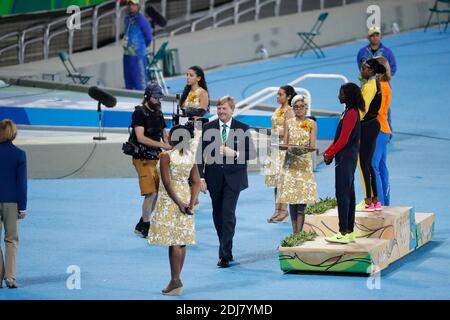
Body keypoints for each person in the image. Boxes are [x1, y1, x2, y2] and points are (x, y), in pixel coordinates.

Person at [197, 96, 256, 268]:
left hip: (234, 179)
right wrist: (201, 178)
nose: (221, 111)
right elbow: (200, 155)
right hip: (213, 178)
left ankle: (223, 254)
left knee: (228, 214)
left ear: (232, 110)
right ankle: (227, 248)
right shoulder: (208, 127)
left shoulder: (243, 128)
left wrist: (235, 154)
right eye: (219, 108)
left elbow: (251, 154)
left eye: (224, 109)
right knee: (217, 215)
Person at [148, 125, 200, 296]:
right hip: (185, 196)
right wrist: (191, 203)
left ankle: (175, 280)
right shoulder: (190, 156)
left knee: (174, 241)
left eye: (170, 134)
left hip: (171, 199)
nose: (168, 135)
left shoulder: (166, 156)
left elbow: (167, 183)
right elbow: (196, 182)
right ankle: (175, 280)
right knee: (181, 239)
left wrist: (179, 203)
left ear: (174, 137)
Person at [323, 83, 363, 244]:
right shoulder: (348, 111)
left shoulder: (351, 113)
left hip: (346, 158)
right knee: (349, 193)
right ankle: (350, 231)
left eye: (341, 93)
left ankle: (343, 231)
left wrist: (329, 153)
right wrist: (330, 151)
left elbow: (343, 139)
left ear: (348, 96)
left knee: (342, 194)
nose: (338, 96)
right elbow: (339, 139)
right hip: (347, 157)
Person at [131, 83, 172, 237]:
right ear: (147, 97)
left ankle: (142, 223)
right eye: (155, 97)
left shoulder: (158, 111)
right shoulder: (139, 113)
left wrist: (168, 147)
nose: (158, 100)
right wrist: (163, 145)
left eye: (159, 97)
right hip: (142, 157)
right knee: (151, 193)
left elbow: (163, 132)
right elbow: (140, 137)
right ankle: (146, 227)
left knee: (156, 192)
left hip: (155, 157)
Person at [276, 95, 318, 234]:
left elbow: (312, 146)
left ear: (306, 108)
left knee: (302, 201)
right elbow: (285, 143)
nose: (299, 109)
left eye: (301, 107)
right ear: (293, 109)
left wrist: (303, 148)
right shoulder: (288, 122)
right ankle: (295, 233)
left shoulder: (312, 124)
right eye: (296, 107)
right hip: (290, 164)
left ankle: (299, 233)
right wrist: (281, 147)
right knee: (292, 200)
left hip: (304, 164)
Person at [0, 119, 27, 289]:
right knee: (11, 240)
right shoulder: (19, 154)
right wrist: (22, 207)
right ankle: (10, 277)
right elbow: (21, 183)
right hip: (11, 203)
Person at [356, 59, 386, 212]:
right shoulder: (376, 84)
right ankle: (375, 201)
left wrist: (351, 124)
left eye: (365, 68)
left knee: (363, 164)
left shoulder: (369, 87)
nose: (361, 69)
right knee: (368, 164)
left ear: (372, 71)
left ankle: (368, 200)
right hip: (372, 125)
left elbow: (362, 110)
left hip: (366, 126)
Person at [264, 85, 295, 223]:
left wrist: (274, 132)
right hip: (275, 147)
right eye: (277, 94)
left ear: (288, 96)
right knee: (276, 181)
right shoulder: (278, 110)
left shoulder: (289, 111)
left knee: (283, 180)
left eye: (280, 94)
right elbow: (274, 128)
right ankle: (277, 210)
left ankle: (284, 211)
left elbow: (290, 131)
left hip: (284, 148)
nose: (277, 97)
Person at [372, 57, 392, 206]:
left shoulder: (382, 87)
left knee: (373, 165)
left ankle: (379, 201)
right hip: (383, 129)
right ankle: (385, 202)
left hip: (378, 130)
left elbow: (378, 110)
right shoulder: (384, 85)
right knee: (381, 166)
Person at [123, 0, 153, 90]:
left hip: (138, 55)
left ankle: (143, 101)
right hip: (127, 54)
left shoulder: (142, 20)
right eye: (129, 4)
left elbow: (148, 37)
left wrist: (142, 48)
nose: (131, 6)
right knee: (128, 80)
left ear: (138, 5)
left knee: (140, 81)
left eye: (133, 4)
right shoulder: (127, 18)